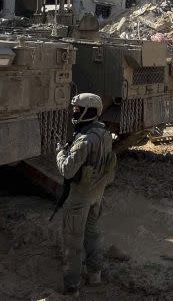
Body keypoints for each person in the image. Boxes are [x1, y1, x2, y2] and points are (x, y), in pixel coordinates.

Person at [56, 92, 117, 294]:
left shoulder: (84, 140)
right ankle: (95, 275)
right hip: (96, 194)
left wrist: (60, 152)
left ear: (89, 112)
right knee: (92, 235)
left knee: (72, 242)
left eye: (77, 110)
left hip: (79, 198)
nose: (74, 113)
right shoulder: (105, 134)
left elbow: (67, 170)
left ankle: (71, 287)